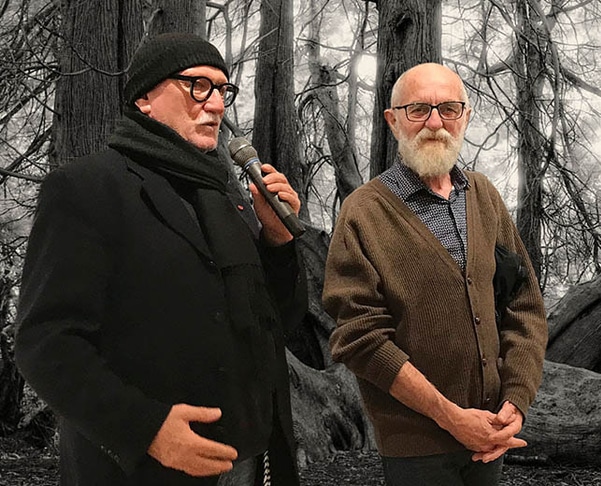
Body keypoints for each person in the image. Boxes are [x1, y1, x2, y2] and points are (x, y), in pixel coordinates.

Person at [15, 32, 307, 486]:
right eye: (198, 86)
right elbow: (46, 344)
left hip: (252, 464)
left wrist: (276, 239)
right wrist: (145, 429)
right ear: (145, 98)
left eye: (223, 90)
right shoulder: (88, 188)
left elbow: (277, 326)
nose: (215, 104)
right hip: (146, 469)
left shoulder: (228, 199)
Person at [322, 63, 548, 486]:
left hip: (490, 435)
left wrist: (516, 400)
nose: (435, 122)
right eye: (418, 110)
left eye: (448, 108)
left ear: (464, 115)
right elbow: (360, 339)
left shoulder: (484, 197)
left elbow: (523, 304)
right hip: (416, 448)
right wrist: (451, 419)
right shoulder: (363, 212)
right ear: (392, 121)